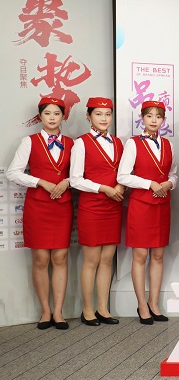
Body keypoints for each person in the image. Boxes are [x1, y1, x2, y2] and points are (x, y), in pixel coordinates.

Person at [7, 97, 73, 330]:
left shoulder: (72, 143)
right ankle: (45, 311)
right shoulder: (29, 141)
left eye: (57, 113)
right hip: (38, 206)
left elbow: (81, 173)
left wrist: (66, 181)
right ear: (40, 117)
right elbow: (13, 173)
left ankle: (59, 312)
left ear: (63, 116)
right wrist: (40, 182)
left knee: (60, 258)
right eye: (47, 113)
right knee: (41, 259)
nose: (52, 118)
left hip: (62, 206)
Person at [118, 101, 178, 324]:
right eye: (150, 116)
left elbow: (174, 174)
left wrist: (169, 184)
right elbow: (123, 176)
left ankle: (154, 303)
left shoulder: (168, 144)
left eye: (158, 116)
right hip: (141, 206)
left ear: (163, 120)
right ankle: (141, 304)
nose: (154, 120)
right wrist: (149, 183)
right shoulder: (133, 143)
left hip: (162, 205)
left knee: (158, 255)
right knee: (140, 255)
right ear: (142, 118)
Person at [70, 97, 125, 326]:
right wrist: (103, 188)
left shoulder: (118, 142)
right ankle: (87, 310)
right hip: (92, 207)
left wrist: (121, 186)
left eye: (108, 114)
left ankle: (103, 308)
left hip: (114, 205)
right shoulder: (81, 143)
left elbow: (124, 172)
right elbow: (75, 179)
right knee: (91, 260)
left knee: (107, 259)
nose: (104, 118)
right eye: (98, 114)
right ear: (89, 116)